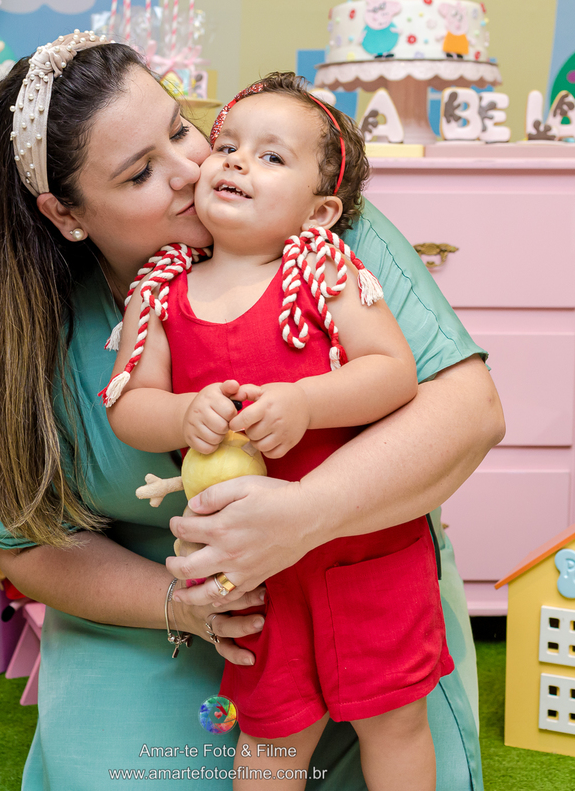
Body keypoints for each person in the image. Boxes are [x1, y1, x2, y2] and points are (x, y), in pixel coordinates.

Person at [0, 32, 503, 790]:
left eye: (182, 128)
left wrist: (305, 513)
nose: (195, 168)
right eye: (141, 171)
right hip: (164, 611)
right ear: (66, 212)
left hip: (353, 563)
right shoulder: (48, 330)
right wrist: (185, 605)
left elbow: (468, 410)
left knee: (386, 735)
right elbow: (25, 545)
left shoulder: (313, 234)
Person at [101, 72, 448, 790]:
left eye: (270, 157)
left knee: (396, 721)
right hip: (249, 568)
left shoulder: (326, 270)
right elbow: (130, 404)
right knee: (270, 734)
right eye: (227, 145)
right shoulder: (161, 290)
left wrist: (304, 404)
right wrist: (182, 412)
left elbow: (392, 372)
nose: (233, 162)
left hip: (366, 550)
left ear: (319, 212)